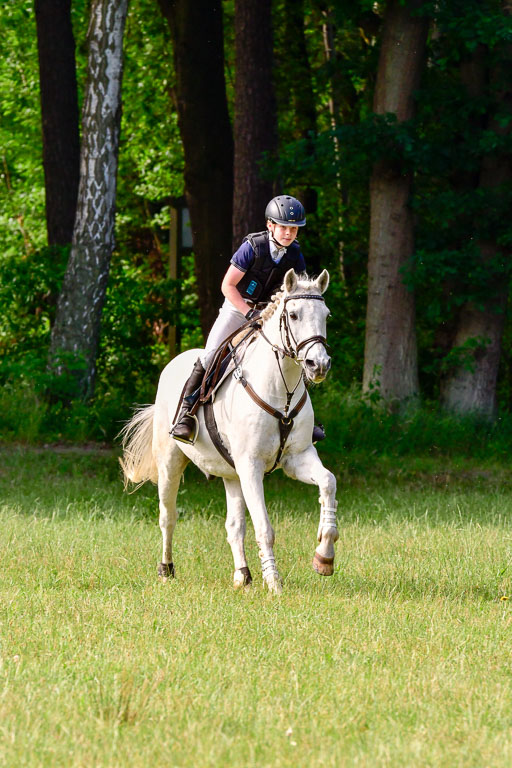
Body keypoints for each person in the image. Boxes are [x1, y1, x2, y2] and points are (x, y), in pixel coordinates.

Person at [172, 194, 322, 445]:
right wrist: (247, 313)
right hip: (236, 308)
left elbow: (298, 293)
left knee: (296, 356)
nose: (288, 233)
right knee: (210, 355)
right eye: (283, 227)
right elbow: (227, 285)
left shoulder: (295, 255)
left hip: (269, 314)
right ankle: (185, 415)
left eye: (293, 229)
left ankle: (306, 421)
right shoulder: (253, 247)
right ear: (270, 225)